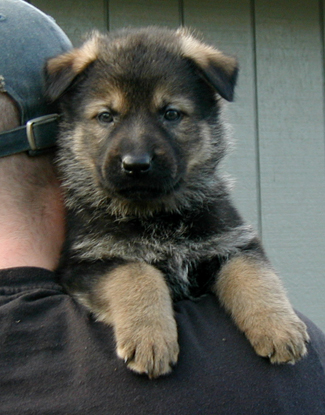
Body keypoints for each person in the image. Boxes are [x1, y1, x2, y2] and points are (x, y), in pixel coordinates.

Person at [0, 1, 324, 414]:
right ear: (65, 125)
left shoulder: (212, 211)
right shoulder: (85, 220)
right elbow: (87, 270)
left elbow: (236, 254)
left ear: (211, 114)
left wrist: (265, 307)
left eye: (171, 114)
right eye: (106, 117)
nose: (136, 153)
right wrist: (139, 292)